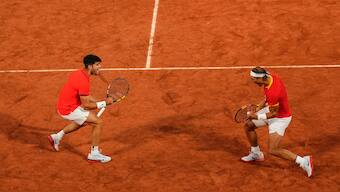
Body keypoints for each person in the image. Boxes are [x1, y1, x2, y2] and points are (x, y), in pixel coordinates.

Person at [242, 66, 313, 177]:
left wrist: (256, 116)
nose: (254, 82)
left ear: (262, 78)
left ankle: (304, 161)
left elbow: (273, 114)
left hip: (280, 119)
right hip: (273, 111)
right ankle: (256, 153)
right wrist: (258, 108)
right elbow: (267, 99)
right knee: (248, 126)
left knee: (273, 149)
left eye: (255, 80)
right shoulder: (270, 79)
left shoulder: (274, 91)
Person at [48, 54, 113, 163]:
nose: (100, 67)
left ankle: (56, 137)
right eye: (97, 65)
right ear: (89, 66)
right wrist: (103, 103)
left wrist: (99, 102)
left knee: (85, 121)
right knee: (98, 122)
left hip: (65, 104)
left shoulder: (79, 73)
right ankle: (94, 154)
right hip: (68, 108)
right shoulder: (83, 81)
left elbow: (86, 96)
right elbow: (86, 105)